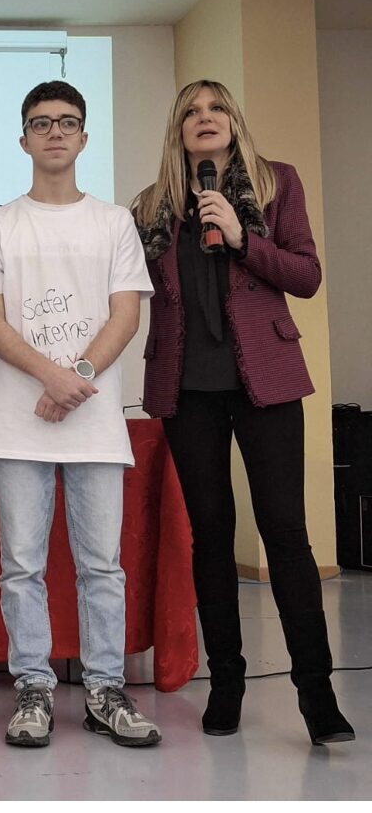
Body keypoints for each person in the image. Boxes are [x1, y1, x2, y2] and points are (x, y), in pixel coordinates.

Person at [132, 79, 354, 745]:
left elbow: (306, 275)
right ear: (178, 130)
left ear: (234, 121)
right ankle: (226, 682)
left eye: (217, 108)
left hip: (268, 380)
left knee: (285, 531)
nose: (206, 118)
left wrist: (239, 237)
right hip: (186, 387)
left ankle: (318, 695)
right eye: (192, 112)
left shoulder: (276, 184)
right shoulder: (152, 205)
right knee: (210, 533)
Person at [0, 81, 161, 748]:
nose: (54, 132)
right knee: (21, 566)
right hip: (19, 427)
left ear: (84, 137)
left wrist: (74, 378)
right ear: (23, 139)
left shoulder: (112, 223)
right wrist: (51, 377)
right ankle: (33, 688)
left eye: (67, 121)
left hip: (96, 427)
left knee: (101, 566)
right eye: (41, 122)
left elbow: (126, 314)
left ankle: (106, 690)